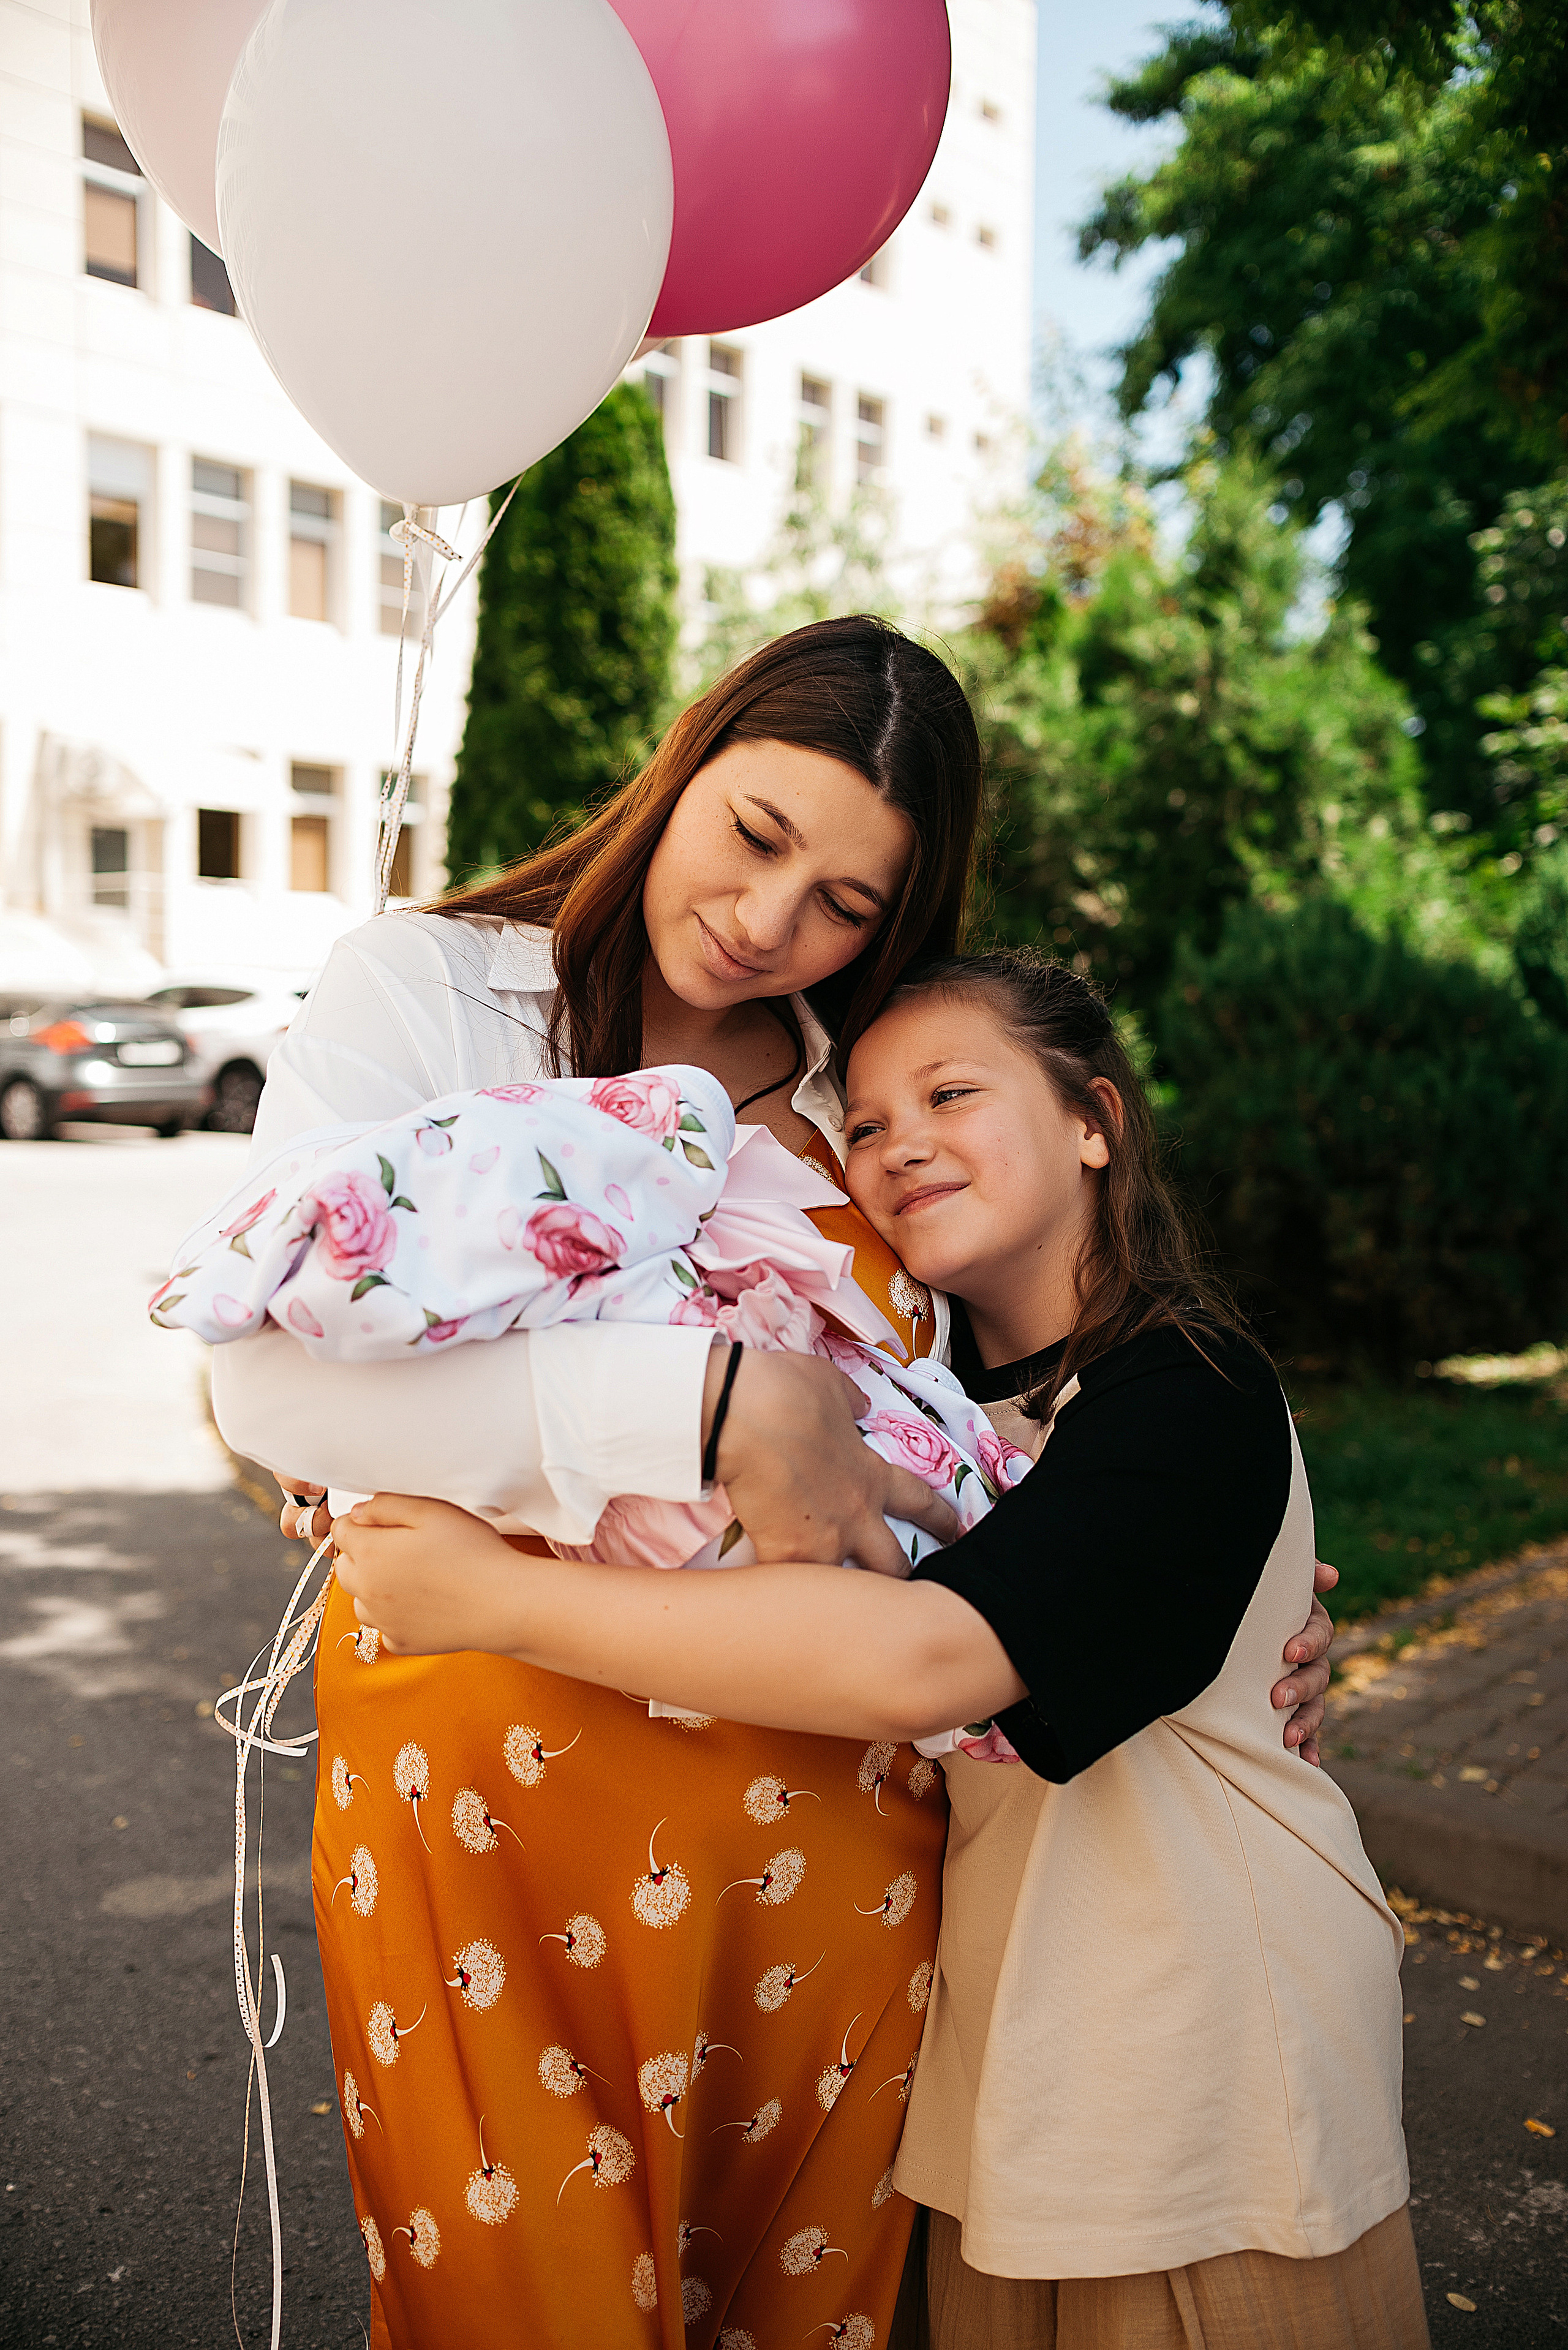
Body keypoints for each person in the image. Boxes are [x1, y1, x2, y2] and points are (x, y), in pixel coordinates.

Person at [209, 619, 1333, 2348]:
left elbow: (987, 1426)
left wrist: (1255, 1606)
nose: (770, 920)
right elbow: (264, 1373)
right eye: (755, 833)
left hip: (845, 1866)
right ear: (687, 759)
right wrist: (710, 1401)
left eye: (847, 901)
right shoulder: (434, 987)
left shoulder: (864, 1084)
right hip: (495, 1832)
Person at [329, 948, 1423, 2350]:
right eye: (863, 1121)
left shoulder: (1183, 1383)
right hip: (997, 2085)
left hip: (1205, 2065)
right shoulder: (911, 1402)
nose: (899, 1142)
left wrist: (493, 1603)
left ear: (1093, 1119)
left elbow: (932, 1659)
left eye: (952, 1093)